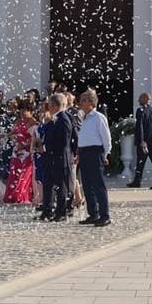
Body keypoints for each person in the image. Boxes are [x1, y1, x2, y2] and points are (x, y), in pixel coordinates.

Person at [77, 89, 112, 227]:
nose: (80, 103)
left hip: (95, 152)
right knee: (86, 184)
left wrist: (106, 153)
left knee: (98, 185)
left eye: (83, 101)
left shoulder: (98, 117)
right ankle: (93, 213)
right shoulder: (83, 118)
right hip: (84, 152)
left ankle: (105, 215)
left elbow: (106, 136)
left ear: (91, 103)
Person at [38, 94, 73, 222]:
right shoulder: (54, 118)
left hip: (59, 157)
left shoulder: (63, 118)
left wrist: (48, 148)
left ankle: (61, 212)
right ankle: (47, 211)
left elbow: (64, 140)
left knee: (61, 185)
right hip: (50, 157)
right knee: (48, 184)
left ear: (54, 106)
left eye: (50, 105)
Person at [128, 92, 152, 189]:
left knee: (140, 162)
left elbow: (140, 126)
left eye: (140, 98)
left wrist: (142, 141)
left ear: (145, 99)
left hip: (144, 142)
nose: (138, 100)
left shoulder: (140, 110)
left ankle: (137, 181)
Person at [4, 100, 36, 204]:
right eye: (21, 111)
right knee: (14, 174)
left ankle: (21, 195)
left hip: (26, 152)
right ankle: (12, 195)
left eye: (24, 111)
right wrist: (7, 136)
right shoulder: (19, 121)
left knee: (23, 175)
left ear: (30, 111)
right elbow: (13, 132)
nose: (22, 113)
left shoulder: (32, 122)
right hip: (17, 151)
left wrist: (24, 145)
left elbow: (35, 139)